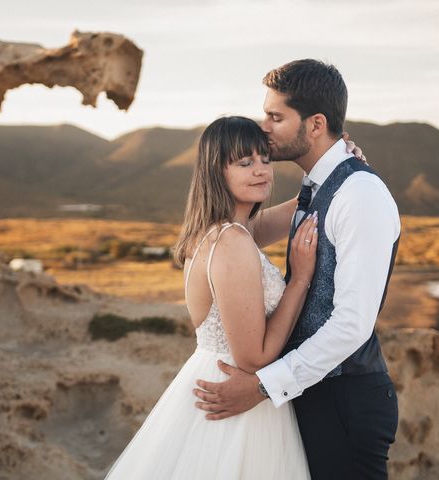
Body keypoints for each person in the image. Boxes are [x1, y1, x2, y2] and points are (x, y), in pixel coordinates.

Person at [193, 59, 401, 479]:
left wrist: (264, 386)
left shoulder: (360, 194)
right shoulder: (317, 189)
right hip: (307, 393)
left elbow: (352, 324)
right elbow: (243, 233)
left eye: (275, 116)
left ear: (315, 123)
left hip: (345, 398)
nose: (264, 127)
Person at [104, 115, 326, 479]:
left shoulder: (217, 232)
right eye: (244, 162)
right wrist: (300, 279)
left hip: (210, 379)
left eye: (265, 160)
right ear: (215, 172)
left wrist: (328, 172)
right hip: (235, 394)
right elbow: (252, 358)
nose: (261, 171)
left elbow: (288, 213)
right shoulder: (232, 242)